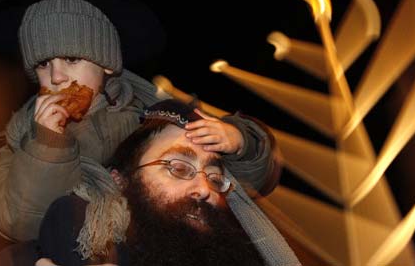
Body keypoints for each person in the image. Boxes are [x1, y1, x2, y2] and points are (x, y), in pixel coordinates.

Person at [0, 0, 280, 247]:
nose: (57, 76)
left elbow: (244, 183)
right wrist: (47, 148)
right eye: (42, 64)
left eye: (72, 59)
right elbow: (20, 225)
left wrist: (241, 142)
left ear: (108, 64)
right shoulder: (21, 143)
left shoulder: (160, 118)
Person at [35, 99, 300, 266]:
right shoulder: (78, 227)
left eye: (216, 178)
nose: (203, 189)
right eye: (178, 168)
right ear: (120, 180)